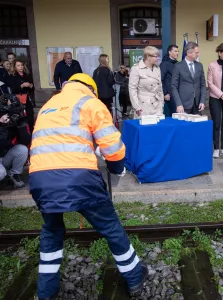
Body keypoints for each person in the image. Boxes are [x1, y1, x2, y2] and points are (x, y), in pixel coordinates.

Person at [29, 73, 148, 300]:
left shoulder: (48, 105)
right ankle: (134, 277)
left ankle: (46, 292)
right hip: (78, 178)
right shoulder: (90, 103)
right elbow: (112, 146)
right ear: (91, 89)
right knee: (110, 227)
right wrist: (116, 168)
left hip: (40, 179)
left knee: (52, 231)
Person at [0, 94, 30, 188]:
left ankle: (13, 175)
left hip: (5, 156)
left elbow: (26, 140)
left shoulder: (10, 118)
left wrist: (19, 122)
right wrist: (1, 125)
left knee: (22, 149)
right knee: (1, 173)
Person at [171, 42, 206, 114]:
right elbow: (174, 86)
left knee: (197, 125)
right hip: (183, 105)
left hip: (197, 104)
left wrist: (202, 101)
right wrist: (178, 104)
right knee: (184, 125)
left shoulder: (199, 65)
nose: (198, 54)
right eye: (196, 53)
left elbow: (203, 84)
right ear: (189, 53)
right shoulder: (178, 66)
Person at [129, 46, 164, 117]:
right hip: (143, 105)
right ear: (148, 57)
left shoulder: (157, 68)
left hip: (157, 104)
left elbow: (160, 86)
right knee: (145, 126)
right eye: (156, 56)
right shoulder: (136, 69)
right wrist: (136, 106)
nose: (158, 58)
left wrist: (162, 101)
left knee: (158, 126)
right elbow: (132, 89)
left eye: (158, 56)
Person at [8, 60, 35, 132]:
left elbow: (33, 88)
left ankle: (31, 131)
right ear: (15, 67)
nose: (21, 67)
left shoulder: (27, 74)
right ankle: (22, 133)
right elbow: (13, 89)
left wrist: (30, 86)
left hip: (27, 98)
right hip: (18, 99)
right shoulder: (12, 76)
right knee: (20, 117)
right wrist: (22, 86)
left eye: (22, 65)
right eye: (18, 65)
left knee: (30, 115)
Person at [160, 44, 179, 117]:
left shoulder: (177, 64)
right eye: (175, 51)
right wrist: (165, 93)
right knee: (175, 114)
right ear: (169, 52)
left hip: (178, 94)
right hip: (170, 95)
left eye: (178, 51)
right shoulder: (164, 64)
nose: (177, 53)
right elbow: (160, 79)